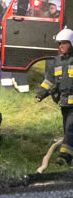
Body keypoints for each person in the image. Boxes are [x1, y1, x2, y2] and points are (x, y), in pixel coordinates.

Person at [35, 28, 73, 166]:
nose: (61, 46)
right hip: (64, 103)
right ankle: (68, 157)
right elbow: (50, 81)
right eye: (59, 43)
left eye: (64, 43)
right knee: (68, 130)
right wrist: (41, 94)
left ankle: (63, 158)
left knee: (70, 129)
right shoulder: (57, 62)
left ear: (71, 43)